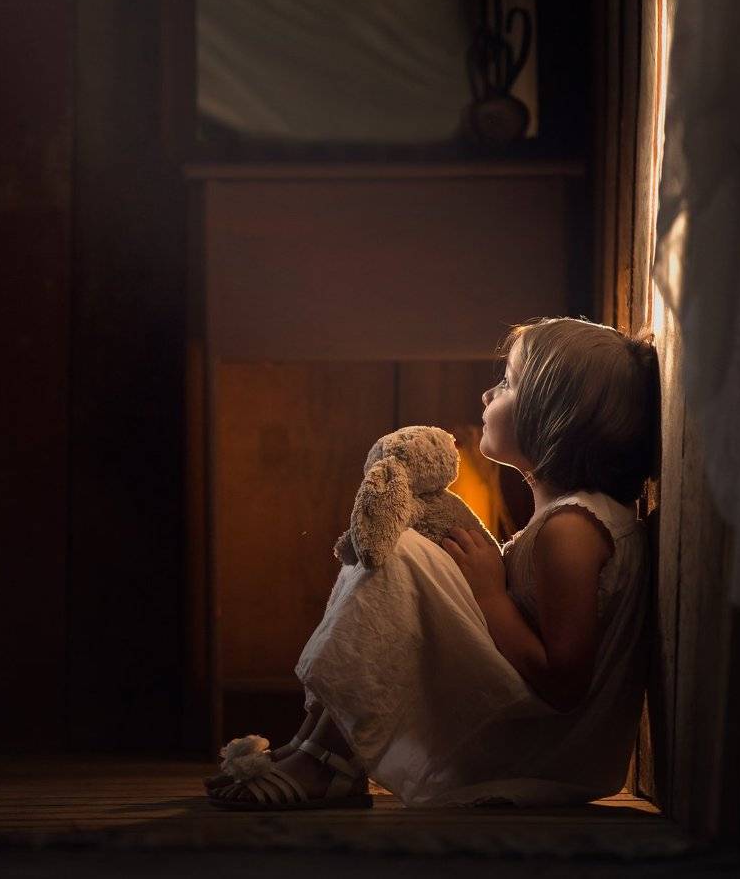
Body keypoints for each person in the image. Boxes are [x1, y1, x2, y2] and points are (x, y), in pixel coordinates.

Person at [206, 316, 661, 811]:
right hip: (527, 732)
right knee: (402, 545)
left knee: (402, 555)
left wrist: (489, 596)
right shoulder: (566, 521)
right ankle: (316, 744)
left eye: (508, 382)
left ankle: (329, 761)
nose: (488, 394)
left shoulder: (571, 531)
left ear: (554, 415)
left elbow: (564, 683)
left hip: (540, 750)